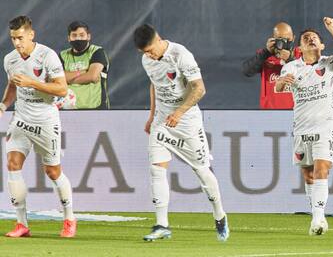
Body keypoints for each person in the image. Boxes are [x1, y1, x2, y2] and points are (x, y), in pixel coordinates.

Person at [133, 24, 229, 242]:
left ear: (158, 39)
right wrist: (151, 116)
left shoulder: (180, 55)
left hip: (186, 122)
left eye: (150, 50)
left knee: (202, 171)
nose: (149, 55)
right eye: (144, 53)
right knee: (156, 169)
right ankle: (161, 225)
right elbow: (155, 85)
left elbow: (199, 88)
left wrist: (179, 112)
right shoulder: (147, 60)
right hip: (162, 121)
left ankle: (219, 214)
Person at [275, 17, 333, 235]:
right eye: (305, 38)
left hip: (324, 127)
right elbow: (279, 89)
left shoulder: (329, 64)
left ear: (321, 45)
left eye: (315, 38)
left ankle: (318, 220)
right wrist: (282, 82)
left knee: (322, 169)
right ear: (300, 47)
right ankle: (317, 217)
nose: (310, 39)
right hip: (301, 128)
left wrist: (332, 29)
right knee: (309, 175)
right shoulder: (292, 66)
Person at [0, 16, 77, 237]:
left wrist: (32, 82)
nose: (17, 43)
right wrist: (3, 106)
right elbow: (12, 86)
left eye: (20, 38)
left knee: (52, 171)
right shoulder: (10, 59)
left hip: (45, 119)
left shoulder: (47, 56)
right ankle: (22, 223)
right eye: (13, 38)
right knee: (13, 164)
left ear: (31, 35)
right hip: (21, 119)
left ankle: (69, 218)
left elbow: (62, 89)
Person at [242, 22, 301, 109]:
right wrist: (266, 52)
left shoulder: (300, 54)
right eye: (280, 39)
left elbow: (308, 75)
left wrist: (290, 59)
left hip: (297, 112)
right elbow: (247, 71)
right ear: (274, 39)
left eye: (287, 39)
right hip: (270, 113)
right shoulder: (265, 55)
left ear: (293, 38)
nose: (284, 43)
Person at [58, 21, 110, 109]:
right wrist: (83, 72)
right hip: (70, 108)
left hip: (96, 108)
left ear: (88, 36)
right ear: (69, 38)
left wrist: (68, 79)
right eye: (74, 35)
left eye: (82, 35)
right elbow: (58, 79)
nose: (78, 38)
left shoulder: (97, 52)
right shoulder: (63, 55)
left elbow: (92, 76)